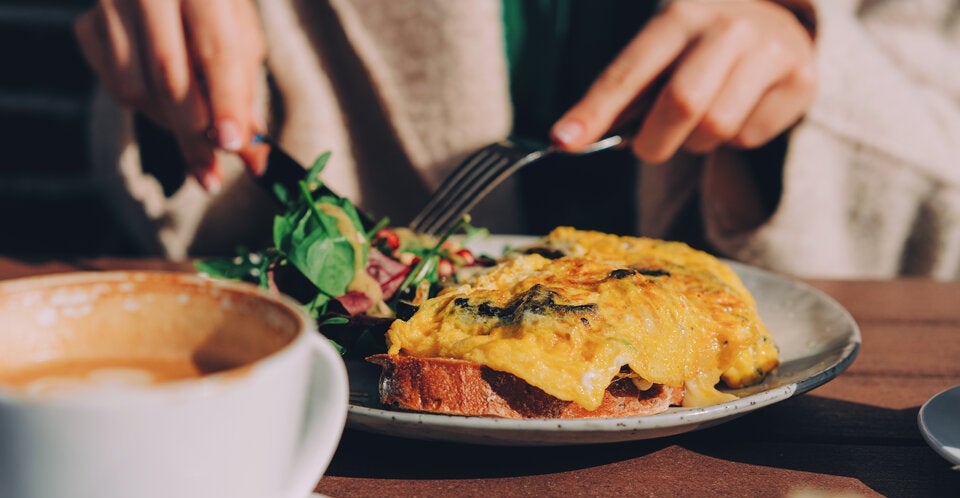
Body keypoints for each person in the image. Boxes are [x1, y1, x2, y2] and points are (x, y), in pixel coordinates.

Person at [74, 0, 960, 279]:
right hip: (345, 457)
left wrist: (809, 63)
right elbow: (178, 197)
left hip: (788, 446)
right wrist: (172, 77)